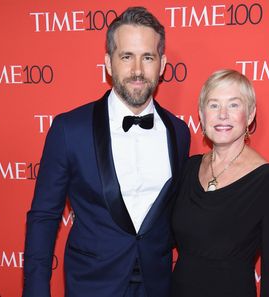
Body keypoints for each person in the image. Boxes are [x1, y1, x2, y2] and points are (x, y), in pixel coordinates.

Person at [23, 7, 190, 297]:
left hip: (158, 285)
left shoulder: (179, 132)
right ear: (109, 64)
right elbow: (44, 216)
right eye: (126, 56)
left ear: (162, 64)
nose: (137, 70)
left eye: (147, 57)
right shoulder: (69, 130)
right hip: (92, 284)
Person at [171, 69, 269, 297]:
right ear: (202, 115)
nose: (222, 115)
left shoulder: (267, 181)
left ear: (250, 115)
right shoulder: (189, 168)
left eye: (233, 105)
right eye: (213, 105)